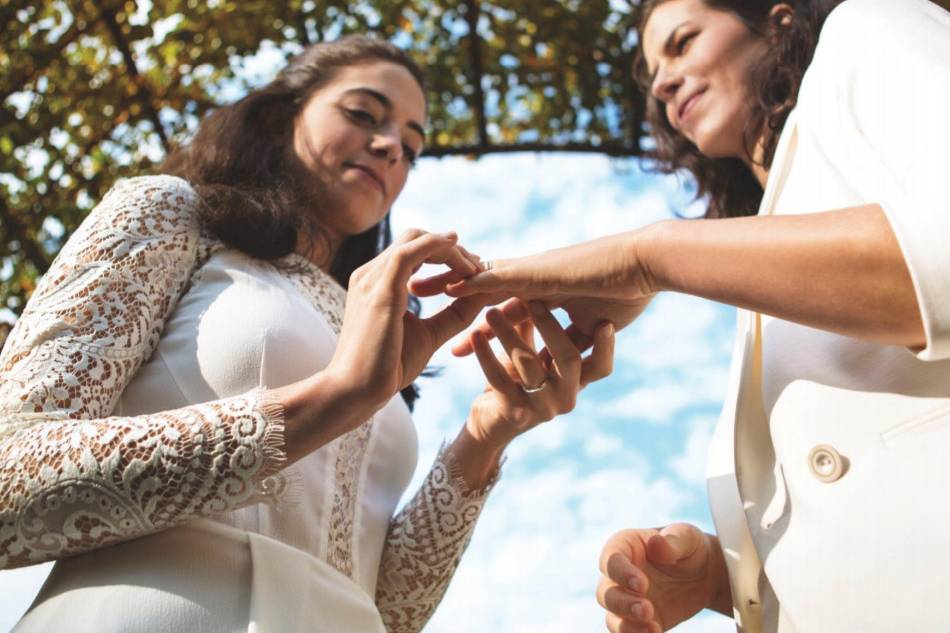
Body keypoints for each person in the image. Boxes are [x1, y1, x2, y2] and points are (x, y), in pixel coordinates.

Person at [0, 36, 617, 632]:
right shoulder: (173, 214)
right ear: (282, 115)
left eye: (411, 145)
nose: (390, 147)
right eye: (363, 113)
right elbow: (9, 480)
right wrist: (334, 396)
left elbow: (379, 609)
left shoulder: (370, 326)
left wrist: (486, 435)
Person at [413, 0, 950, 630]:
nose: (663, 82)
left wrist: (649, 257)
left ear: (776, 20)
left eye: (683, 42)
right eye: (652, 74)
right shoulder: (768, 262)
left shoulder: (870, 25)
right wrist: (727, 577)